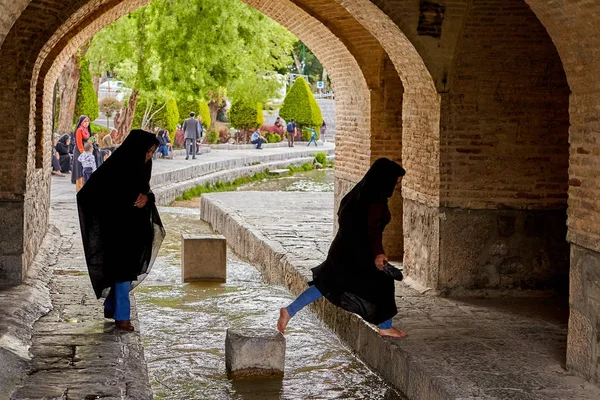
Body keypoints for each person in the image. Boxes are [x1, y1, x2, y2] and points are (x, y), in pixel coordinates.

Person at [277, 158, 407, 338]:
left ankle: (289, 311)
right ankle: (385, 326)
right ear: (385, 179)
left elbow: (344, 215)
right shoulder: (376, 200)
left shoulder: (359, 193)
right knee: (384, 281)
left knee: (327, 283)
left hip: (342, 248)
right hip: (357, 252)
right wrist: (378, 252)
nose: (397, 185)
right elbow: (373, 229)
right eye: (396, 181)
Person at [77, 129, 165, 332]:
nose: (149, 156)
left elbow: (145, 190)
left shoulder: (145, 165)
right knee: (123, 269)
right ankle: (122, 317)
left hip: (135, 226)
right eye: (148, 151)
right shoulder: (117, 166)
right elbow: (92, 192)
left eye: (151, 152)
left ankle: (111, 306)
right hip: (117, 227)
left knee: (126, 268)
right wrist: (121, 204)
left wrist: (146, 198)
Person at [71, 115, 91, 192]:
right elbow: (79, 143)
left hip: (86, 151)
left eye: (88, 121)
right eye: (85, 121)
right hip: (80, 152)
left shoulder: (86, 130)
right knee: (79, 169)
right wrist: (83, 154)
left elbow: (88, 140)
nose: (86, 123)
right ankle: (78, 188)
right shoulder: (79, 130)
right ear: (81, 122)